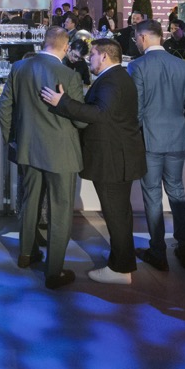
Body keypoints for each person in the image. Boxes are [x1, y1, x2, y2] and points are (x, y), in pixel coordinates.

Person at [40, 37, 145, 284]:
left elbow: (100, 114)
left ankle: (120, 269)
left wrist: (62, 103)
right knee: (120, 213)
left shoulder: (112, 80)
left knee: (116, 214)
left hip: (112, 158)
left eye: (93, 55)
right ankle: (122, 260)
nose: (89, 60)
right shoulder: (117, 77)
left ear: (104, 56)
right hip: (119, 157)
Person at [0, 26, 85, 289]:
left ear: (44, 41)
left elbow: (5, 107)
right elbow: (81, 121)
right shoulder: (70, 75)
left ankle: (26, 254)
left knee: (30, 201)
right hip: (61, 152)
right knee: (60, 210)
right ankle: (53, 271)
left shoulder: (19, 68)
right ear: (65, 46)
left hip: (28, 148)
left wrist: (12, 140)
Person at [126, 20, 185, 271]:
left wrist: (135, 137)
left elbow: (135, 109)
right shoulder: (183, 66)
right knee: (177, 192)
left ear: (143, 37)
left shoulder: (137, 66)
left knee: (152, 196)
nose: (136, 42)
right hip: (176, 138)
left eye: (136, 38)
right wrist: (183, 132)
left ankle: (158, 251)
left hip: (149, 140)